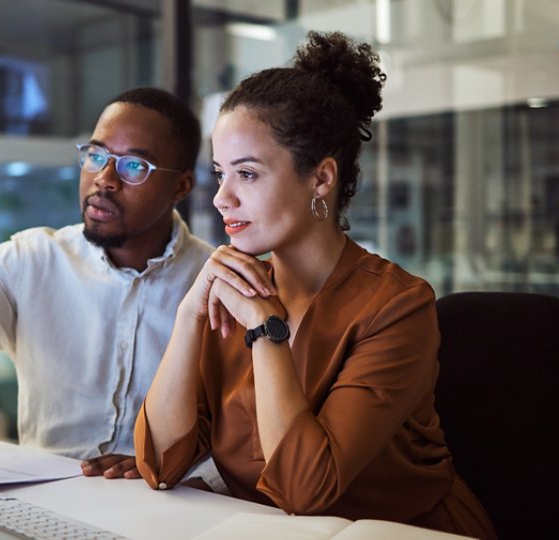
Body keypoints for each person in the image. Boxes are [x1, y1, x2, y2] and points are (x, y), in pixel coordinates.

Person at [134, 32, 497, 539]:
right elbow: (159, 463)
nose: (222, 198)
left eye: (248, 174)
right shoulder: (231, 290)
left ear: (321, 178)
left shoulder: (397, 306)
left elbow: (307, 489)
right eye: (220, 174)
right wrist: (189, 316)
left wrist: (267, 329)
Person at [0, 87, 215, 481]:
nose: (104, 178)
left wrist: (175, 469)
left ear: (181, 187)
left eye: (134, 166)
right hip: (42, 496)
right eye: (96, 156)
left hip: (166, 502)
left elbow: (245, 438)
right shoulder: (31, 259)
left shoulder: (215, 284)